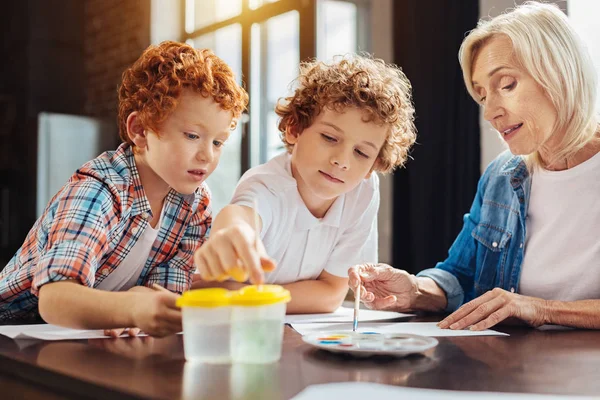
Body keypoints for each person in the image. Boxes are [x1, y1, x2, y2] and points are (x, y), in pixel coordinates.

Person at [349, 1, 600, 330]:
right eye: (482, 95)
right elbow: (460, 276)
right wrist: (413, 289)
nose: (490, 112)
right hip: (512, 372)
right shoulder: (503, 175)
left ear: (561, 72)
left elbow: (529, 308)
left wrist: (543, 309)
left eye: (506, 85)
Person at [0, 41, 248, 337]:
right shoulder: (99, 189)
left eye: (218, 142)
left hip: (86, 340)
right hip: (16, 334)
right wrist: (131, 309)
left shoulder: (194, 204)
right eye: (193, 135)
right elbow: (55, 300)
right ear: (140, 130)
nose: (208, 156)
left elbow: (163, 294)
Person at [193, 54, 417, 313]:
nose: (342, 161)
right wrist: (230, 232)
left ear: (373, 165)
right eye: (330, 138)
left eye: (362, 153)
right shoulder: (268, 184)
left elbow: (331, 294)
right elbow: (241, 215)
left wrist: (241, 294)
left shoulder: (363, 191)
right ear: (294, 129)